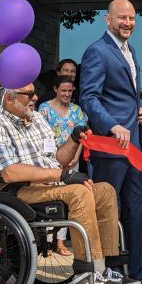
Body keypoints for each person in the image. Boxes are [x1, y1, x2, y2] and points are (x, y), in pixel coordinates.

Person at [0, 81, 140, 284]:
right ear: (9, 98)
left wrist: (74, 139)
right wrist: (64, 176)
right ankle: (86, 273)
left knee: (105, 191)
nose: (35, 98)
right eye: (29, 94)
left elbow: (57, 160)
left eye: (35, 92)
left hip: (50, 186)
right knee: (79, 191)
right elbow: (10, 172)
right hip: (17, 190)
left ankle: (107, 267)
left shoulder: (37, 119)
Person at [80, 0, 142, 284]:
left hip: (133, 148)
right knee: (108, 211)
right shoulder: (97, 51)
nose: (128, 23)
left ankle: (138, 271)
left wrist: (140, 109)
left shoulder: (131, 51)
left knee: (139, 208)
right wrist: (112, 125)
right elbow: (89, 98)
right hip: (110, 146)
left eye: (131, 18)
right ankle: (111, 273)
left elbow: (126, 96)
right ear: (108, 20)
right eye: (122, 18)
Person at [38, 75, 89, 256]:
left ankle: (60, 241)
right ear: (55, 90)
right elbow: (40, 135)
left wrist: (76, 156)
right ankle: (48, 242)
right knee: (50, 199)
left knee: (66, 201)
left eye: (70, 91)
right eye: (63, 91)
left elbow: (82, 136)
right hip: (49, 161)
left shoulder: (77, 110)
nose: (67, 94)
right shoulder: (44, 109)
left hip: (71, 161)